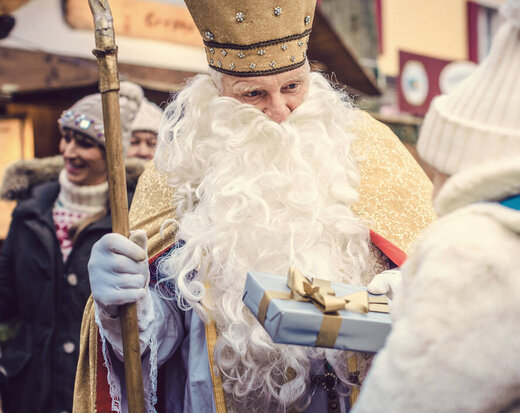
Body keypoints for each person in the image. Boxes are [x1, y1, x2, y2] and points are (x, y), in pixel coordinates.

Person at [74, 1, 437, 412]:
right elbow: (160, 340)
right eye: (254, 94)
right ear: (218, 93)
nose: (279, 113)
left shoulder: (370, 148)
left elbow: (438, 275)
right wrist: (124, 305)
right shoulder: (183, 166)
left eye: (292, 88)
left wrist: (412, 292)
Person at [353, 0, 520, 411]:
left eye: (438, 169)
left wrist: (445, 280)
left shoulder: (476, 252)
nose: (433, 186)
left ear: (472, 166)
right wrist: (420, 281)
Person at [0, 82, 144, 413]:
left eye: (85, 143)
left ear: (111, 153)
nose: (68, 151)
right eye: (66, 137)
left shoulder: (129, 219)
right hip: (29, 385)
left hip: (95, 386)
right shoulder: (30, 209)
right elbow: (6, 298)